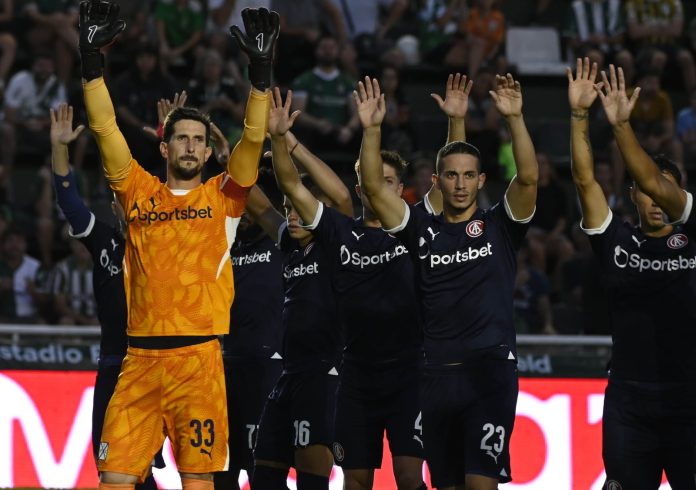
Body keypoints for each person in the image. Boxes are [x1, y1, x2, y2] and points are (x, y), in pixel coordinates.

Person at [77, 1, 278, 487]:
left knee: (199, 484)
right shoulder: (137, 190)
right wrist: (91, 65)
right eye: (181, 138)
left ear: (209, 152)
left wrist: (260, 76)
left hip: (200, 364)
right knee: (114, 480)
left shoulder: (225, 198)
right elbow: (105, 129)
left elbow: (252, 142)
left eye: (198, 140)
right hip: (139, 362)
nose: (190, 146)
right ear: (165, 147)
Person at [356, 73, 538, 489]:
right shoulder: (418, 226)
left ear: (481, 180)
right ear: (436, 182)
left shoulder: (501, 227)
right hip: (435, 376)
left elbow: (528, 178)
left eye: (468, 175)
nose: (460, 184)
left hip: (489, 374)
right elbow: (371, 185)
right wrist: (371, 130)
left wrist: (515, 118)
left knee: (480, 484)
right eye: (451, 176)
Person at [572, 59, 696, 489]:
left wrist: (623, 127)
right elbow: (585, 180)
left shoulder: (694, 238)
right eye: (646, 191)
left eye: (666, 190)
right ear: (631, 196)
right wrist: (578, 116)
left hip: (689, 400)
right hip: (629, 403)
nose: (657, 199)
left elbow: (653, 180)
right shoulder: (616, 241)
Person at [49, 102, 166, 489]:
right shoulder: (103, 239)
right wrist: (60, 147)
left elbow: (181, 203)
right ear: (116, 206)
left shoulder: (164, 241)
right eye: (122, 200)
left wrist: (169, 142)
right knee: (109, 468)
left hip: (153, 367)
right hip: (114, 364)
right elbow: (69, 202)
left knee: (143, 466)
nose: (129, 206)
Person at [246, 90, 352, 490]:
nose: (290, 212)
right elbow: (257, 205)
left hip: (323, 376)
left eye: (299, 207)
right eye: (288, 205)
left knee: (312, 483)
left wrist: (286, 141)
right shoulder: (289, 245)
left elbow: (342, 196)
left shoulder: (337, 244)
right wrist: (225, 159)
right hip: (288, 374)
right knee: (264, 478)